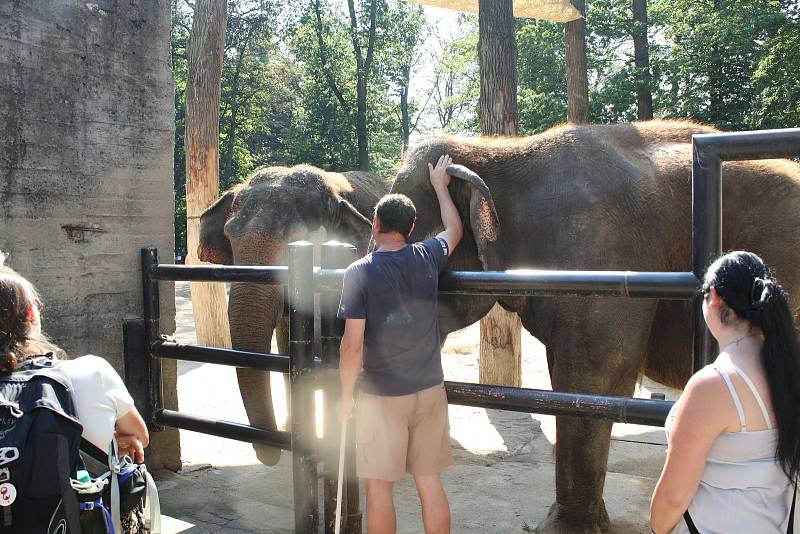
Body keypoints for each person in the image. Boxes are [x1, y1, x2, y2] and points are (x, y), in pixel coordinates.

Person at [336, 154, 462, 534]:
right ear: (411, 227)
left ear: (375, 224)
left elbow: (352, 347)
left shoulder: (360, 271)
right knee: (429, 481)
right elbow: (454, 229)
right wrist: (441, 188)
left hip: (383, 395)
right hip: (429, 390)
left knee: (379, 488)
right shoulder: (427, 255)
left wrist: (344, 397)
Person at [650, 251, 800, 533]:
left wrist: (657, 528)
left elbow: (673, 497)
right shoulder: (789, 367)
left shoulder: (713, 386)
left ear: (714, 297)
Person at [0, 262, 149, 462]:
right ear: (30, 313)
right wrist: (113, 441)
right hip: (77, 493)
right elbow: (141, 436)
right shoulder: (92, 372)